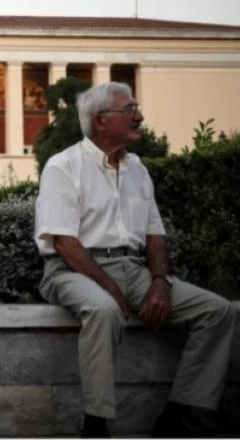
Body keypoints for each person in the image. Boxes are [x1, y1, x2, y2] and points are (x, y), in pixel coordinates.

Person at [35, 82, 236, 438]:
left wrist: (160, 282)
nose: (140, 117)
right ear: (100, 120)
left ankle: (184, 413)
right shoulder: (63, 166)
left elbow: (154, 234)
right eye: (130, 110)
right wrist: (112, 288)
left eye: (136, 109)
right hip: (71, 270)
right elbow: (64, 242)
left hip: (134, 269)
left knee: (218, 311)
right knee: (103, 309)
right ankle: (96, 423)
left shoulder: (138, 170)